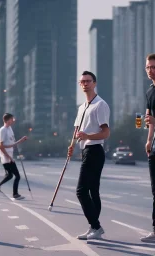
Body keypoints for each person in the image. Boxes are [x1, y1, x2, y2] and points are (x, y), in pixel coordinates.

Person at [68, 71, 110, 240]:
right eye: (82, 82)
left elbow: (106, 133)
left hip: (95, 151)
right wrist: (71, 146)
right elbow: (77, 131)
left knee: (81, 191)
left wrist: (88, 136)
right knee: (93, 191)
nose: (85, 84)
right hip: (85, 150)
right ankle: (94, 227)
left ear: (94, 83)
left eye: (88, 81)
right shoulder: (82, 107)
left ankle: (96, 226)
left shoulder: (100, 105)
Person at [0, 113, 27, 200]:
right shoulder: (2, 130)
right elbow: (0, 146)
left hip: (10, 155)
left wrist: (21, 141)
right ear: (6, 120)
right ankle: (15, 194)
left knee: (9, 175)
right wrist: (9, 158)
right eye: (11, 119)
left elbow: (12, 143)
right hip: (5, 156)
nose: (13, 120)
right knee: (17, 175)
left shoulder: (10, 129)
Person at [141, 54, 155, 242]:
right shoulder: (149, 92)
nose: (150, 70)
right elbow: (149, 120)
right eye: (148, 67)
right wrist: (149, 140)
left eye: (153, 66)